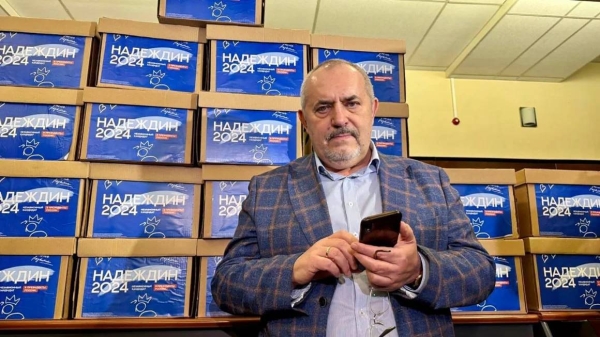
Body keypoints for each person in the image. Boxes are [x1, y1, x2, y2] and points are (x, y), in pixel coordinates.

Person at [211, 59, 496, 337]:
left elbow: (480, 273)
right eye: (323, 108)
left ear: (372, 110)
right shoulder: (267, 190)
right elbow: (226, 285)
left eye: (351, 103)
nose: (339, 119)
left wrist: (418, 270)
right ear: (304, 121)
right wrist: (295, 270)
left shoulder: (431, 182)